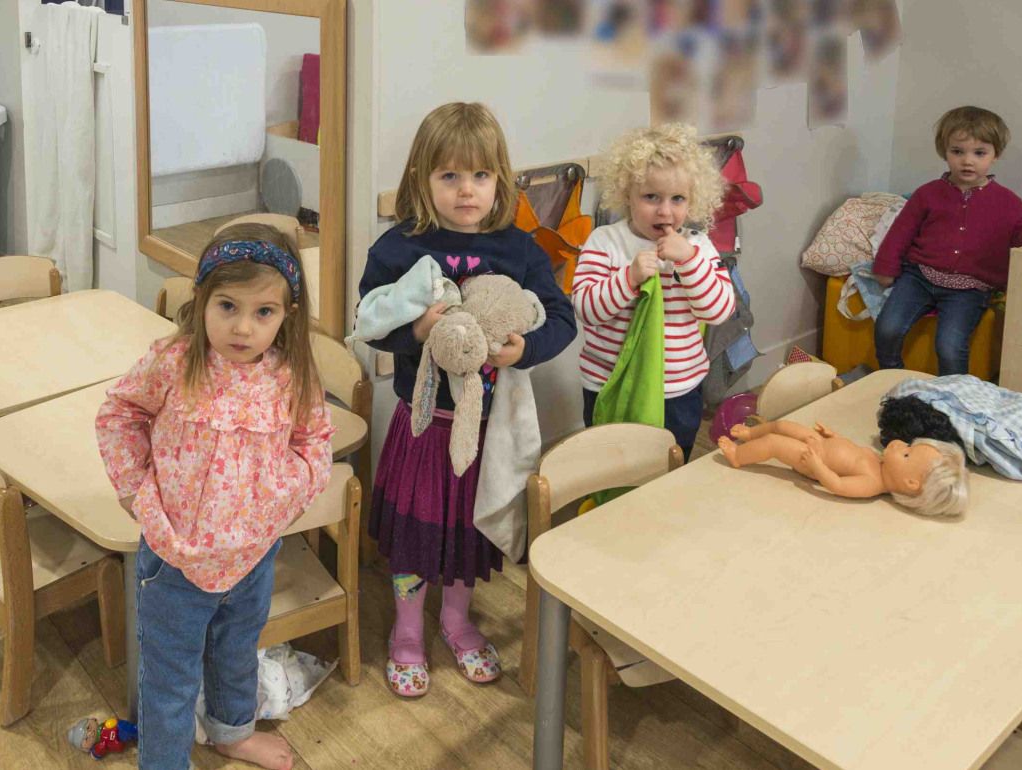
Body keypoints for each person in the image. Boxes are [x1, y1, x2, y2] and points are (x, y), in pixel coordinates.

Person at [95, 223, 333, 770]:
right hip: (176, 561)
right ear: (201, 299)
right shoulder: (174, 362)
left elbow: (314, 439)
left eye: (263, 313)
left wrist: (285, 494)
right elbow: (120, 413)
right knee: (170, 679)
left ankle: (231, 732)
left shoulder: (292, 375)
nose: (243, 327)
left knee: (235, 652)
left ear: (287, 315)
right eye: (227, 305)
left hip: (253, 557)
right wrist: (134, 489)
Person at [358, 102, 576, 698]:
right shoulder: (399, 248)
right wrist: (417, 333)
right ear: (422, 180)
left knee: (467, 529)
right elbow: (369, 318)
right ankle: (407, 632)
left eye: (479, 176)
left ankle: (455, 621)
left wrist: (519, 350)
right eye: (449, 176)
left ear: (499, 179)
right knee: (416, 533)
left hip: (489, 429)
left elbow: (562, 318)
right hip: (424, 425)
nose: (465, 190)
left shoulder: (520, 248)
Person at [572, 122, 734, 460]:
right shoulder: (605, 242)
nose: (664, 210)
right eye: (651, 197)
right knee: (611, 467)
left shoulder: (698, 247)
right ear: (626, 194)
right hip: (611, 386)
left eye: (677, 199)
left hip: (678, 390)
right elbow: (586, 308)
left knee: (671, 468)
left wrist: (689, 261)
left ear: (693, 201)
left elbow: (719, 310)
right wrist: (627, 278)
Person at [872, 105, 1022, 375]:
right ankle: (888, 376)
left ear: (995, 155)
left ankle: (954, 394)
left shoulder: (1007, 201)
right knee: (887, 327)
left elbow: (1020, 232)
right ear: (944, 153)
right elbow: (901, 231)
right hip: (920, 277)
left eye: (979, 153)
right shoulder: (928, 194)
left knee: (949, 346)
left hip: (969, 289)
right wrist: (885, 268)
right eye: (957, 152)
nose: (967, 161)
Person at [717, 420, 968, 516]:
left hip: (811, 458)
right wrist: (833, 436)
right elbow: (850, 452)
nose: (901, 443)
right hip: (820, 444)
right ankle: (751, 433)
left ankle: (739, 455)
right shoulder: (878, 463)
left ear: (910, 483)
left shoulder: (871, 483)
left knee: (773, 444)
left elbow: (837, 485)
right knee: (781, 425)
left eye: (906, 453)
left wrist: (816, 463)